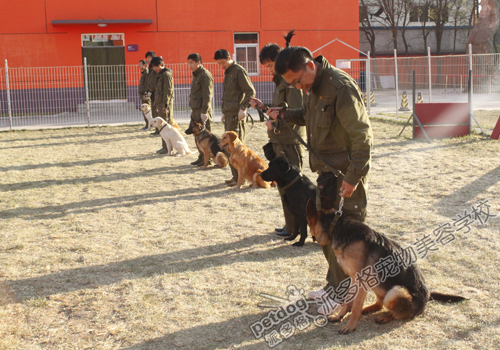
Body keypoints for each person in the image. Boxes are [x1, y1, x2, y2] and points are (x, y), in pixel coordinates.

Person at [270, 46, 373, 314]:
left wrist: (352, 178)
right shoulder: (313, 88)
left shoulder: (340, 86)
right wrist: (284, 114)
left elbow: (362, 136)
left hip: (344, 179)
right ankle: (333, 287)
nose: (298, 87)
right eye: (292, 84)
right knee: (326, 236)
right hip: (326, 177)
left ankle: (342, 298)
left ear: (310, 66)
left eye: (297, 81)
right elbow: (308, 117)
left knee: (345, 242)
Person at [249, 31, 305, 238]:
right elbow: (279, 111)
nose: (269, 70)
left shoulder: (291, 82)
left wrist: (276, 123)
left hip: (289, 140)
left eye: (271, 65)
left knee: (294, 187)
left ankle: (297, 226)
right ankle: (290, 224)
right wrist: (264, 107)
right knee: (284, 187)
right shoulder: (280, 81)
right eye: (267, 67)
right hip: (279, 140)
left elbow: (297, 113)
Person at [214, 49, 256, 186]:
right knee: (228, 149)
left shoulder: (238, 71)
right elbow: (227, 95)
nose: (222, 65)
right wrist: (224, 112)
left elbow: (250, 91)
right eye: (219, 63)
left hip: (236, 116)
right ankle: (235, 176)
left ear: (229, 58)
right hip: (229, 114)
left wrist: (243, 108)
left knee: (237, 149)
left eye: (223, 62)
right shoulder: (228, 72)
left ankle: (241, 178)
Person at [187, 53, 214, 166]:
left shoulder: (204, 75)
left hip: (202, 110)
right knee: (196, 135)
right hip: (196, 109)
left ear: (198, 62)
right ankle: (201, 156)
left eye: (191, 63)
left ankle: (208, 159)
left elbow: (207, 95)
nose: (190, 65)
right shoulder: (196, 75)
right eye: (189, 63)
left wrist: (204, 111)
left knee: (205, 136)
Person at [150, 56, 175, 154]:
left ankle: (168, 148)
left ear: (160, 65)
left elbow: (168, 91)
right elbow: (158, 91)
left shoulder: (166, 75)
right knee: (161, 128)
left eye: (155, 67)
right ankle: (164, 147)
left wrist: (165, 104)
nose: (154, 69)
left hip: (165, 105)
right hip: (160, 104)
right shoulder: (160, 75)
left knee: (166, 126)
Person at [145, 51, 160, 135]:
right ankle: (157, 129)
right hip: (152, 92)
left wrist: (151, 90)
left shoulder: (155, 68)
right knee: (154, 111)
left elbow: (155, 81)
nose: (148, 59)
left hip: (156, 92)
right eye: (147, 58)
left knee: (157, 111)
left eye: (150, 57)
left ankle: (159, 129)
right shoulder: (150, 68)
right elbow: (150, 81)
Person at [138, 59, 150, 130]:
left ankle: (148, 125)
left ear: (144, 65)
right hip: (142, 94)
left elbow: (147, 84)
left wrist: (146, 94)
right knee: (144, 111)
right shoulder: (144, 73)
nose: (139, 66)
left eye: (140, 64)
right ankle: (147, 124)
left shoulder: (146, 73)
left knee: (146, 110)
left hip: (145, 94)